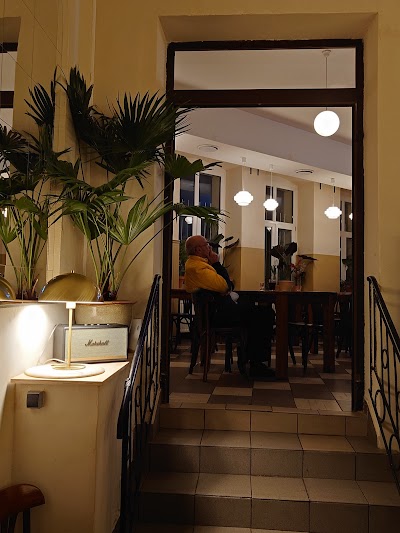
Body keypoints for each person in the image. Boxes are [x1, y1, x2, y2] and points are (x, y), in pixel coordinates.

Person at [184, 235, 275, 377]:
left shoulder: (198, 264)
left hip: (218, 312)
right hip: (218, 316)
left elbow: (225, 287)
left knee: (255, 310)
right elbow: (226, 286)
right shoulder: (198, 267)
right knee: (264, 314)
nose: (210, 247)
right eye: (207, 245)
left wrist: (225, 286)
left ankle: (248, 359)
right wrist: (217, 264)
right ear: (198, 250)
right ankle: (256, 364)